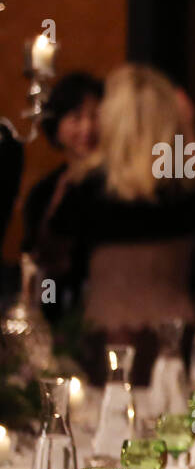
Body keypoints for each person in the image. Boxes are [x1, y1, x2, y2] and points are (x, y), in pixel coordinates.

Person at [43, 64, 195, 385]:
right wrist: (190, 131)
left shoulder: (87, 188)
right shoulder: (189, 187)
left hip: (108, 340)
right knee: (176, 428)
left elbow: (51, 260)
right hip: (178, 337)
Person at [21, 71, 103, 322]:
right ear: (57, 125)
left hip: (94, 307)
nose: (87, 128)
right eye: (76, 117)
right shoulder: (43, 190)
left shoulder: (109, 187)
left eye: (95, 116)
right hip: (48, 304)